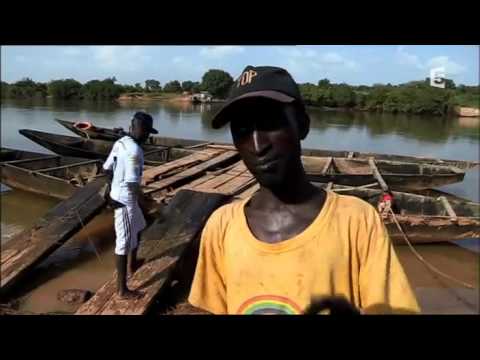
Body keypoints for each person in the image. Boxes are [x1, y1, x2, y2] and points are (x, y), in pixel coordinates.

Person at [188, 66, 420, 314]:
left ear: (302, 126)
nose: (257, 146)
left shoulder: (356, 221)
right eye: (242, 130)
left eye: (270, 124)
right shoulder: (222, 226)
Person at [103, 111, 158, 299]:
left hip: (121, 195)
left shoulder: (120, 143)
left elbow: (106, 168)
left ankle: (132, 265)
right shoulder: (135, 151)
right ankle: (122, 290)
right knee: (123, 242)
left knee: (140, 225)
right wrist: (147, 204)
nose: (148, 136)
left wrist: (111, 190)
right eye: (147, 132)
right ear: (141, 130)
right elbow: (134, 186)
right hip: (125, 201)